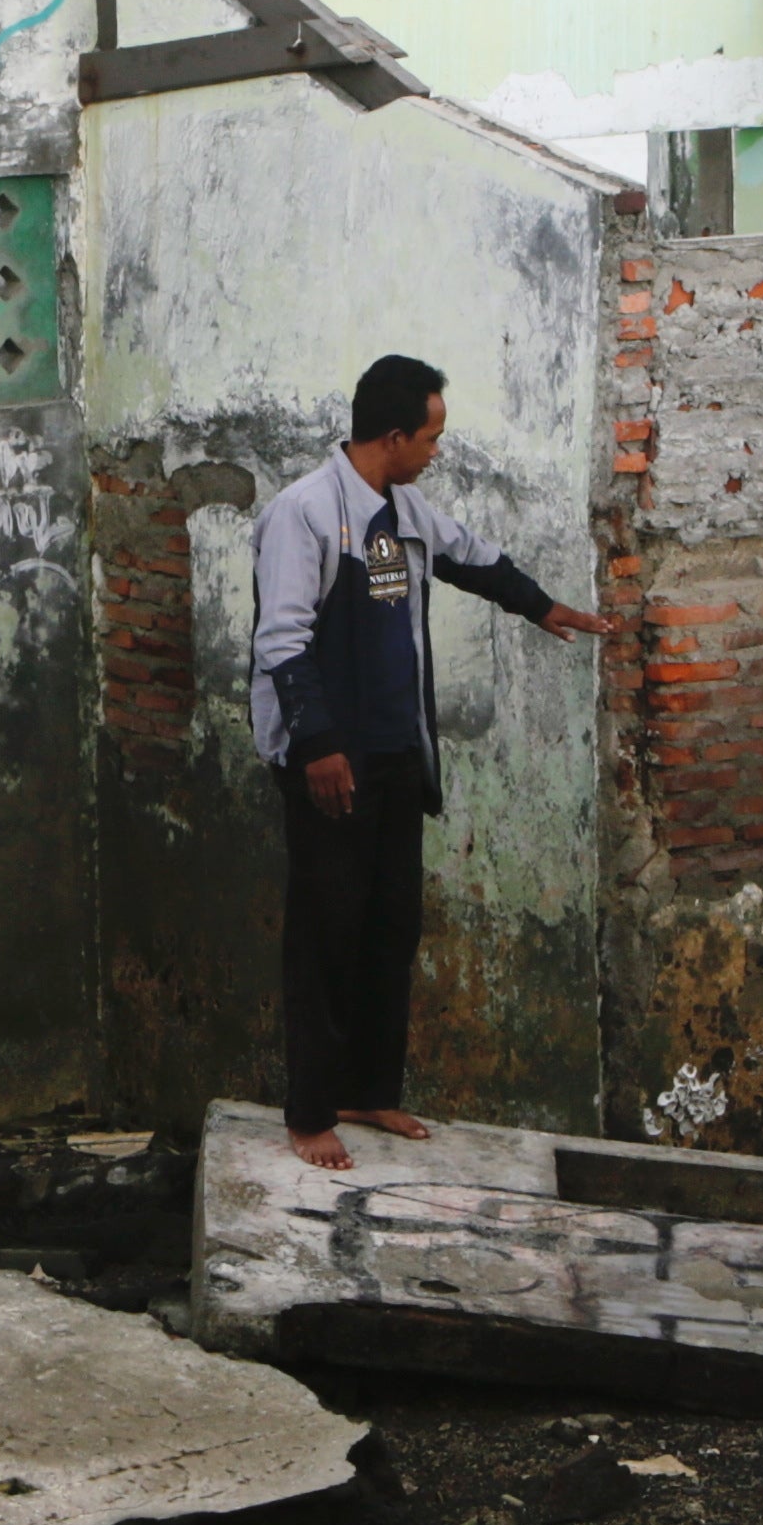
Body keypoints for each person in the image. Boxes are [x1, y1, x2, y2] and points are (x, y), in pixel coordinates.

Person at [249, 353, 602, 1170]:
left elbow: (472, 558)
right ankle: (309, 1114)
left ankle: (369, 1089)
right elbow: (282, 640)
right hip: (329, 766)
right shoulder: (304, 514)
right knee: (324, 936)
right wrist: (320, 747)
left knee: (389, 928)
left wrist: (543, 607)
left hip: (397, 756)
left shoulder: (401, 510)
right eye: (432, 436)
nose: (437, 450)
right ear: (394, 434)